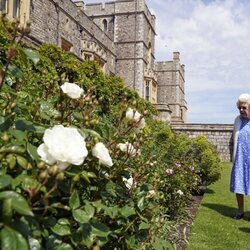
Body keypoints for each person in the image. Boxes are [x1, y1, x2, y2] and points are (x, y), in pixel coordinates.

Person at [230, 93, 250, 219]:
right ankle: (240, 210)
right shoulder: (237, 120)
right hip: (240, 158)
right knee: (239, 184)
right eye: (240, 108)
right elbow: (233, 139)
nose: (241, 110)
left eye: (244, 107)